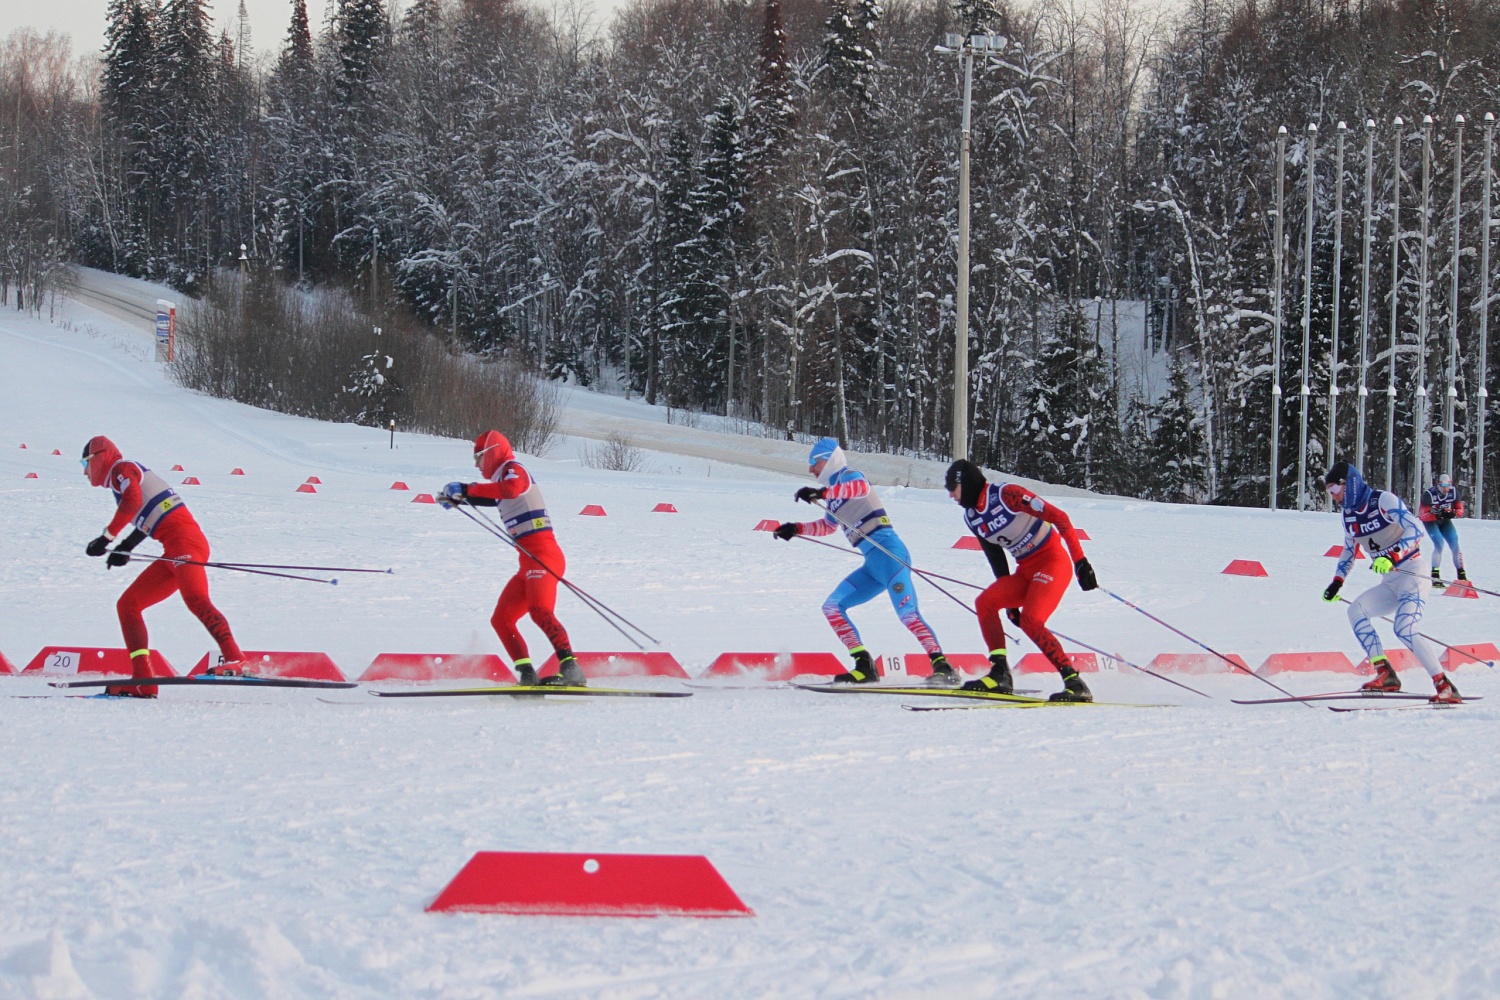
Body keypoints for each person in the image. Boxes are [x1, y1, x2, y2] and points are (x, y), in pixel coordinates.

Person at [772, 437, 957, 686]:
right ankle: (864, 665)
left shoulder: (850, 477)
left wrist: (823, 493)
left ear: (828, 460)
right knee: (832, 607)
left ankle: (943, 667)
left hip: (891, 556)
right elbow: (827, 527)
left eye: (813, 462)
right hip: (872, 565)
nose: (810, 469)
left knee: (907, 614)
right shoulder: (834, 496)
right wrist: (795, 528)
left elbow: (859, 489)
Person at [82, 436, 246, 698]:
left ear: (99, 457)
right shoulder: (119, 481)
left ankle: (236, 660)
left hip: (185, 542)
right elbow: (146, 517)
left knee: (195, 599)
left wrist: (107, 537)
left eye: (85, 463)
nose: (84, 471)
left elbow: (133, 501)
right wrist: (124, 548)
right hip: (173, 549)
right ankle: (142, 679)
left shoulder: (122, 470)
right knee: (128, 605)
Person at [943, 460, 1098, 702]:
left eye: (953, 487)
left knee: (1031, 620)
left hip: (1052, 562)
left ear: (967, 483)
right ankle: (1000, 674)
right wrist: (1009, 602)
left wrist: (1080, 562)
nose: (951, 494)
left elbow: (1060, 518)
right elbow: (994, 555)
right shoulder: (972, 516)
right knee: (986, 602)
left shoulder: (1008, 495)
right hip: (1025, 570)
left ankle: (1074, 682)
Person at [440, 431, 582, 686]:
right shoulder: (501, 479)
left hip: (544, 556)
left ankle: (571, 669)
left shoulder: (514, 470)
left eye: (478, 458)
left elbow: (511, 489)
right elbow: (496, 496)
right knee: (502, 619)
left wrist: (465, 488)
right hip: (528, 561)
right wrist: (461, 497)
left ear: (492, 452)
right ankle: (527, 672)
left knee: (540, 611)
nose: (476, 464)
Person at [1321, 461, 1461, 703]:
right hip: (1390, 582)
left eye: (1335, 490)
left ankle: (1444, 685)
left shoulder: (1382, 500)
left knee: (1404, 628)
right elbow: (1348, 551)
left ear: (1349, 484)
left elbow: (1415, 528)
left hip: (1413, 573)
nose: (1334, 497)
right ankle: (1385, 674)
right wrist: (1337, 582)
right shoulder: (1348, 515)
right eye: (1329, 492)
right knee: (1356, 611)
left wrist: (1392, 556)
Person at [1418, 473, 1467, 586]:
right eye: (1443, 485)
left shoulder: (1453, 492)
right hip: (1430, 522)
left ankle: (1461, 574)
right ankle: (1435, 575)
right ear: (1438, 485)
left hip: (1444, 521)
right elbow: (1422, 515)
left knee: (1455, 543)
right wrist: (1436, 514)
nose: (1446, 488)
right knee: (1439, 543)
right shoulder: (1429, 495)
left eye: (1448, 485)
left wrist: (1454, 513)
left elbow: (1459, 509)